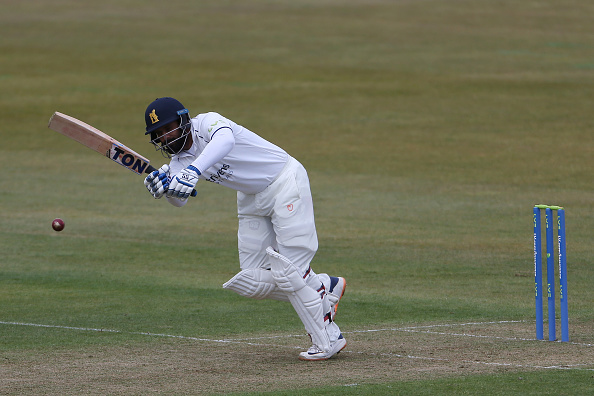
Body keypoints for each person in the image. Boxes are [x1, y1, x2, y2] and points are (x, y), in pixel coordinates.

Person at [142, 97, 347, 361]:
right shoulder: (179, 162)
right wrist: (164, 189)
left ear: (183, 120)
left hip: (284, 181)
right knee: (252, 279)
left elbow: (224, 141)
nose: (165, 137)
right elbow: (179, 201)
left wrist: (192, 170)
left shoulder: (207, 123)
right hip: (251, 197)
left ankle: (328, 337)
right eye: (158, 135)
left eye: (168, 128)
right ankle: (323, 286)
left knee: (290, 272)